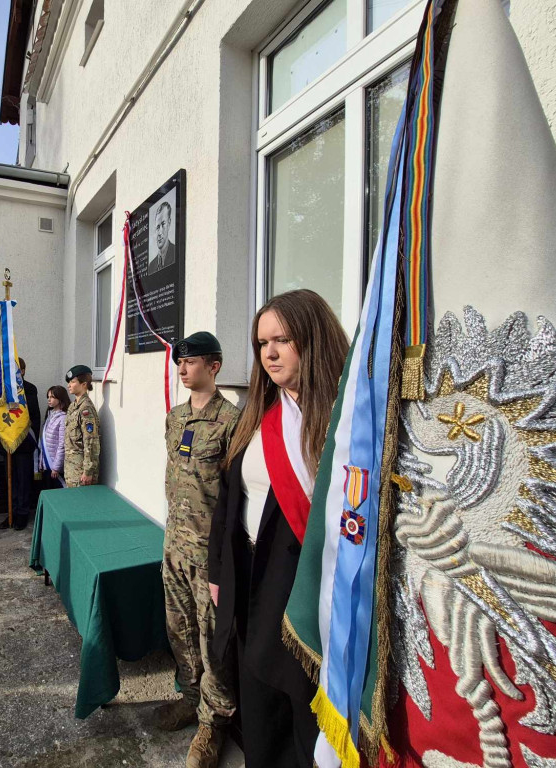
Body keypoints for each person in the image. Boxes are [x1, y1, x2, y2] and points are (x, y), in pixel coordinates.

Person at [208, 290, 348, 768]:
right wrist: (217, 570)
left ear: (313, 339)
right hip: (248, 576)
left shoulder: (345, 420)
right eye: (262, 342)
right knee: (258, 701)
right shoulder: (259, 414)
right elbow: (229, 500)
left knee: (302, 708)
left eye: (282, 340)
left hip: (300, 584)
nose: (268, 353)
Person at [156, 332, 241, 768]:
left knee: (213, 642)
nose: (182, 368)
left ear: (215, 366)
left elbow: (235, 498)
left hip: (210, 555)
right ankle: (190, 697)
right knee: (180, 630)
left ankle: (214, 723)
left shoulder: (232, 422)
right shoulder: (174, 418)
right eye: (180, 362)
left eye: (191, 362)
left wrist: (223, 564)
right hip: (174, 545)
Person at [2, 357, 40, 531]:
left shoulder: (30, 389)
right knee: (10, 481)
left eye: (18, 370)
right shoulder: (2, 390)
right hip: (8, 442)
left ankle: (22, 514)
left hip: (24, 443)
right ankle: (11, 512)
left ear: (23, 371)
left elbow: (33, 417)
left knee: (23, 481)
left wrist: (33, 441)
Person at [63, 365, 100, 488]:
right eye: (69, 382)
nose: (69, 385)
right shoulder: (73, 406)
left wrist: (88, 471)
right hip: (71, 469)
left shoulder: (86, 409)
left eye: (73, 382)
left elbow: (91, 441)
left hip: (81, 473)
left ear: (84, 384)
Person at [38, 385, 69, 490]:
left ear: (60, 399)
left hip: (55, 468)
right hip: (47, 464)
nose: (49, 399)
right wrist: (41, 462)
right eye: (48, 396)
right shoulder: (50, 415)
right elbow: (45, 442)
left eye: (52, 397)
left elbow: (62, 444)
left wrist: (56, 467)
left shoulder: (63, 418)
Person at [150, 200, 176, 273]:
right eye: (158, 227)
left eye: (163, 224)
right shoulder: (151, 266)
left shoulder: (176, 253)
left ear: (169, 223)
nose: (160, 232)